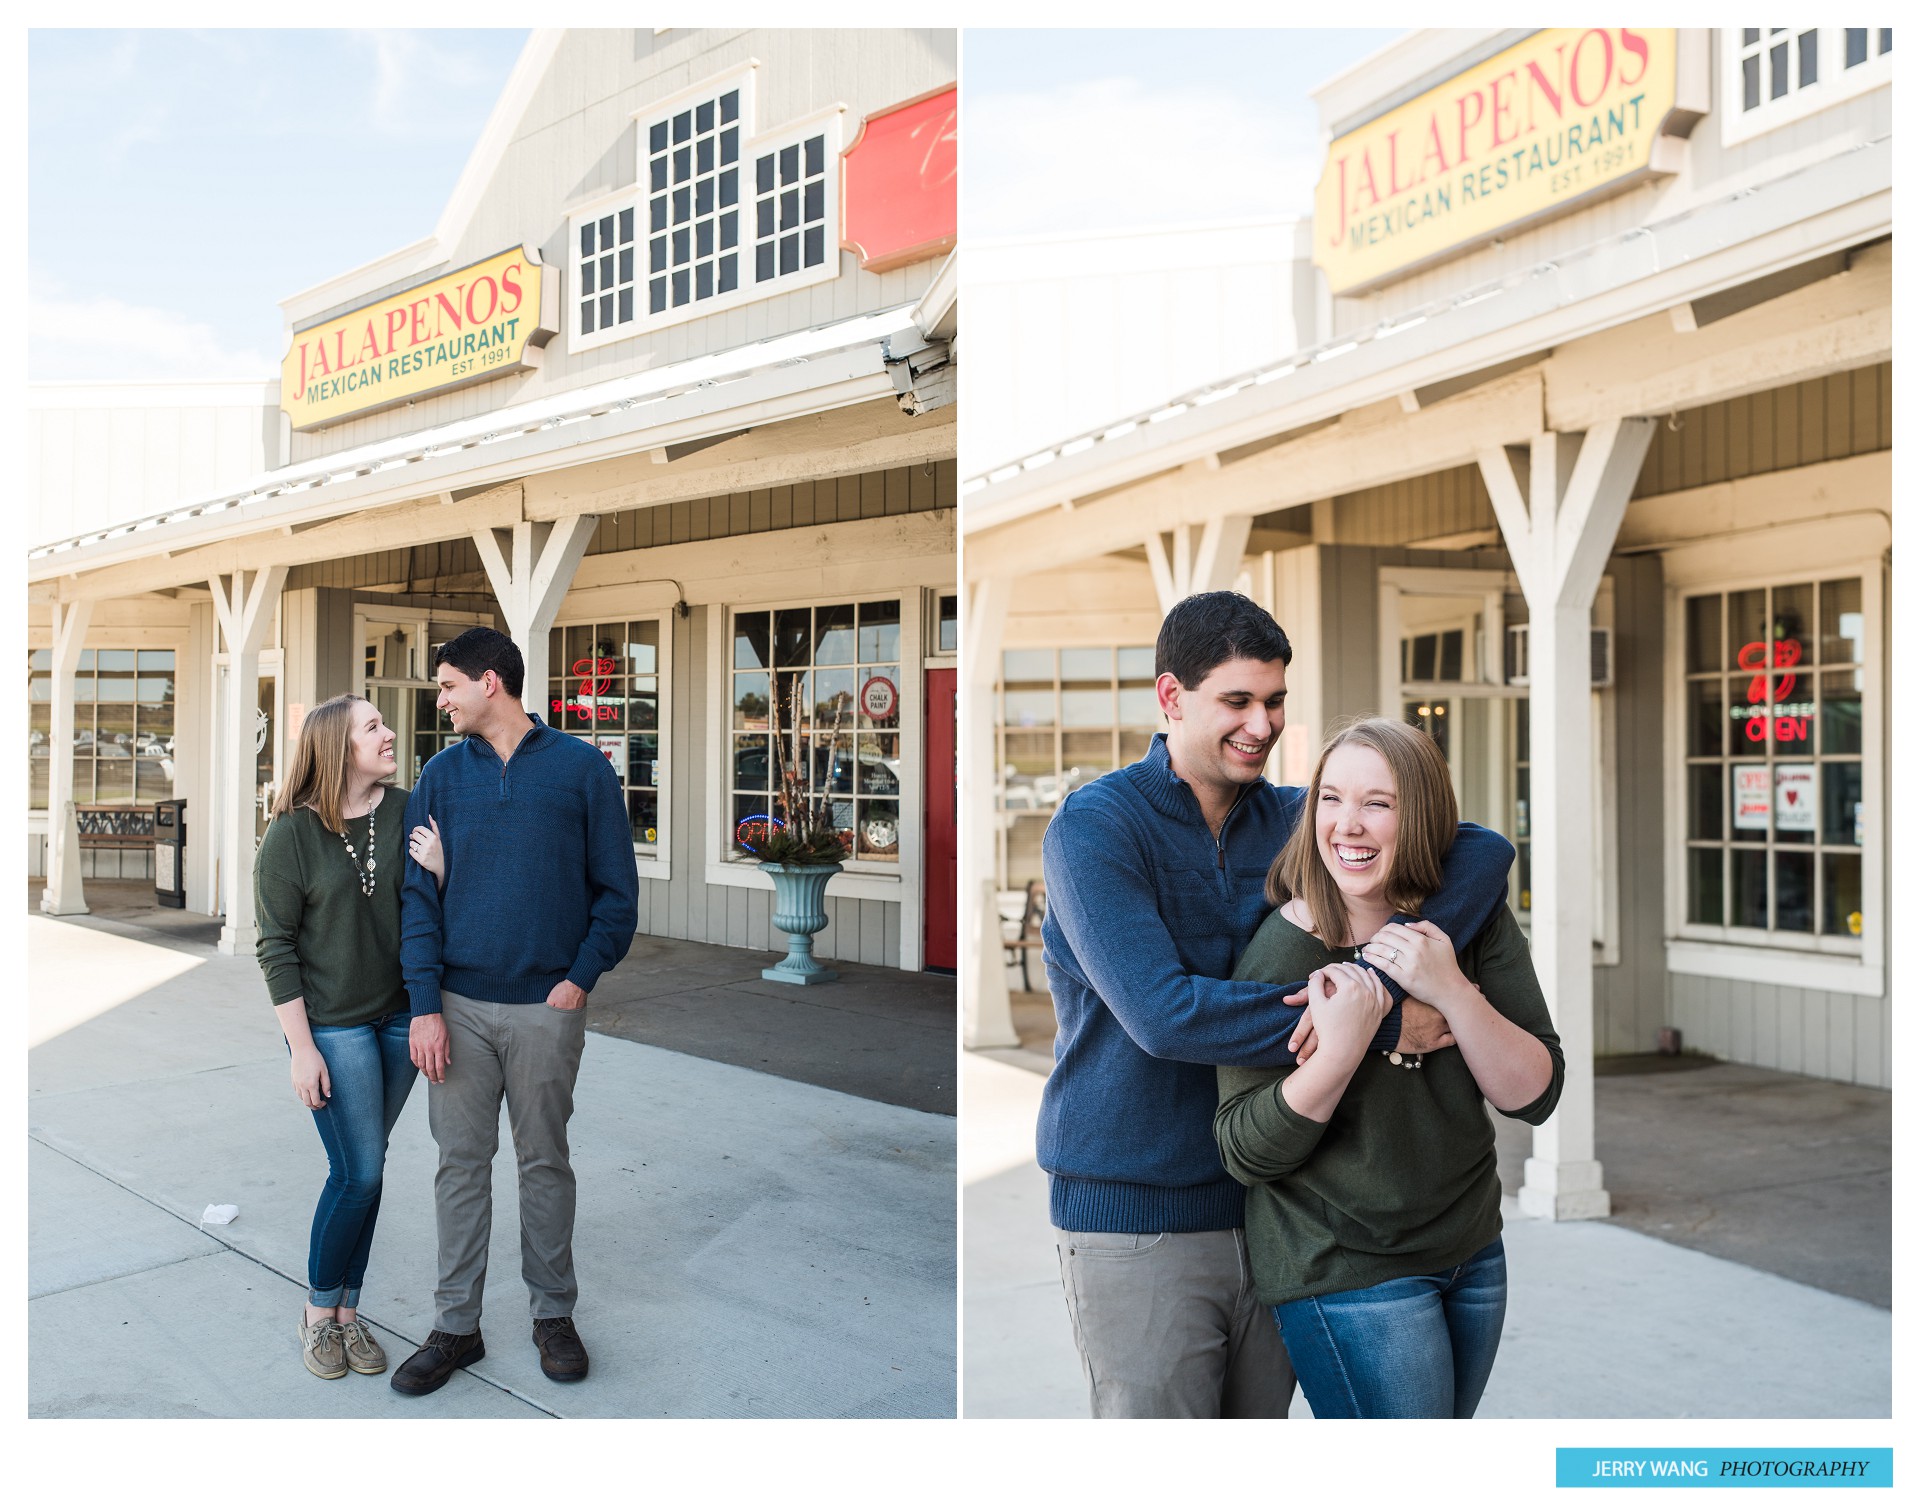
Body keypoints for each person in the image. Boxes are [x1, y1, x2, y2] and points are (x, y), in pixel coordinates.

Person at [1038, 590, 1514, 1419]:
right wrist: (1380, 1020)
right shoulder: (1097, 828)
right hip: (1139, 1215)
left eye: (1275, 701)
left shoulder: (1297, 819)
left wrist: (1376, 979)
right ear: (1171, 696)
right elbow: (1165, 1015)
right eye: (1237, 701)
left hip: (1275, 1208)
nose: (1262, 723)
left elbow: (1477, 850)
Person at [1215, 717, 1564, 1418]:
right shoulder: (1281, 955)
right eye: (1332, 799)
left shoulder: (1468, 924)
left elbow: (1535, 1093)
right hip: (1345, 1264)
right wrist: (1344, 1049)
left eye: (1379, 803)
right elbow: (1244, 1151)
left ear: (1423, 816)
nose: (1349, 825)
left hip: (1470, 1247)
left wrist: (1454, 991)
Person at [392, 626, 638, 1396]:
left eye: (447, 686)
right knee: (459, 1170)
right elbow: (417, 900)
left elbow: (617, 896)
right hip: (459, 1008)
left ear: (489, 681)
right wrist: (425, 1007)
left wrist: (577, 982)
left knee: (544, 1165)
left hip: (545, 1006)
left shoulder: (579, 772)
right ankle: (454, 1327)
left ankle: (553, 1316)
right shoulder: (440, 776)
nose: (441, 700)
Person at [255, 694, 443, 1381]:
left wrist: (444, 870)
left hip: (397, 1021)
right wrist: (301, 1048)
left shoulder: (405, 812)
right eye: (374, 727)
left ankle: (347, 1313)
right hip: (331, 1027)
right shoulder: (291, 836)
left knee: (367, 1169)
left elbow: (432, 905)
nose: (390, 733)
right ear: (339, 747)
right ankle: (316, 1314)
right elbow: (275, 948)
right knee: (357, 1172)